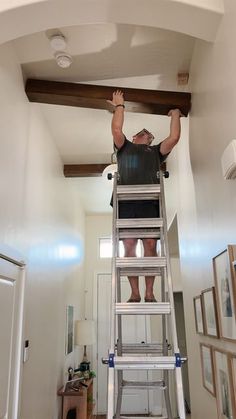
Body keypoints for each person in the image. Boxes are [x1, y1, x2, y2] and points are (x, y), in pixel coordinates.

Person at [108, 90, 183, 303]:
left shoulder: (156, 152)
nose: (141, 134)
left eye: (145, 133)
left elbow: (174, 137)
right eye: (140, 132)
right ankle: (135, 292)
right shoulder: (124, 148)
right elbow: (116, 128)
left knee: (150, 244)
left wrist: (175, 113)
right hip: (126, 202)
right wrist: (119, 106)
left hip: (150, 201)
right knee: (129, 244)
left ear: (149, 139)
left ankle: (149, 292)